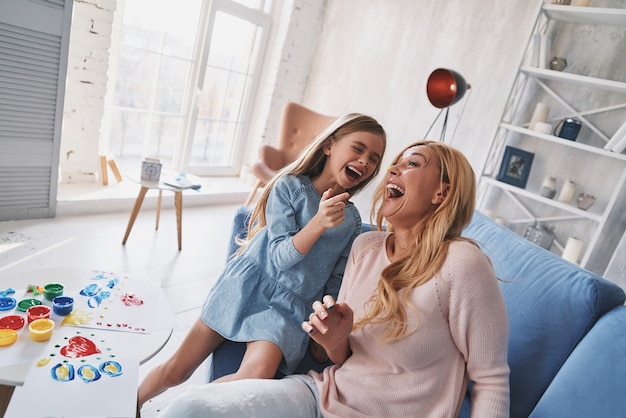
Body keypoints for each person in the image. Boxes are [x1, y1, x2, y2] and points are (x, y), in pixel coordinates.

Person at [156, 140, 510, 418]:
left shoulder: (462, 263)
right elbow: (344, 358)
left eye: (412, 164)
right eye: (394, 165)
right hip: (319, 397)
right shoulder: (365, 246)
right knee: (188, 409)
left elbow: (491, 379)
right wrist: (334, 340)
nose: (392, 171)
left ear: (442, 193)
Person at [137, 112, 387, 408]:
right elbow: (281, 258)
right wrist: (318, 222)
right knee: (176, 370)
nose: (365, 162)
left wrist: (325, 325)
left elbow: (336, 280)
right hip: (245, 286)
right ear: (329, 145)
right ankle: (129, 406)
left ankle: (177, 411)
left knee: (255, 375)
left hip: (287, 310)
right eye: (358, 149)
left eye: (374, 158)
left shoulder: (352, 222)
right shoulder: (289, 187)